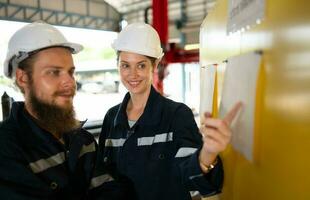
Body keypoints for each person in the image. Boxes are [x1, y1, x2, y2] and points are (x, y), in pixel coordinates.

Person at [98, 22, 242, 200]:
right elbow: (102, 178)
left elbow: (192, 180)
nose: (132, 74)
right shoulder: (112, 118)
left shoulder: (176, 115)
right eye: (125, 65)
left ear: (155, 65)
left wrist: (208, 154)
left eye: (141, 65)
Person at [0, 21, 122, 199]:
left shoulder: (82, 141)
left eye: (71, 72)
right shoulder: (7, 149)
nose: (70, 83)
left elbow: (110, 189)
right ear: (23, 78)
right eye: (54, 72)